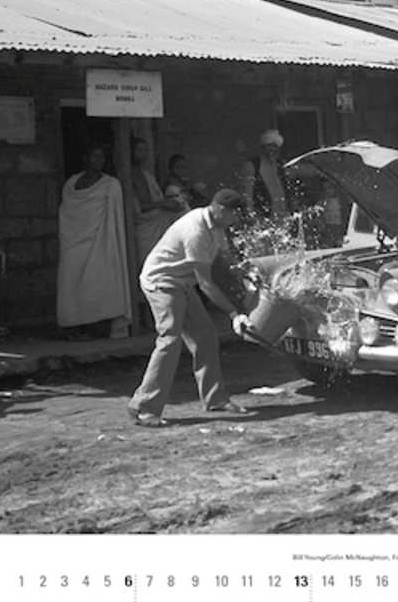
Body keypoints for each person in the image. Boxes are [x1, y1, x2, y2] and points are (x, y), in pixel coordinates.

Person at [126, 189, 254, 427]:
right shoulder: (196, 230)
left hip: (182, 282)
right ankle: (144, 407)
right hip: (162, 282)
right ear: (221, 210)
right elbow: (206, 284)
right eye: (235, 215)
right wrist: (233, 313)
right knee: (170, 339)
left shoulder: (217, 227)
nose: (236, 221)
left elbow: (223, 265)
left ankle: (215, 399)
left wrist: (246, 280)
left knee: (205, 336)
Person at [57, 145, 132, 341]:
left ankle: (95, 326)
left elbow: (115, 216)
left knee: (97, 281)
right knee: (70, 281)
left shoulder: (110, 185)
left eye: (102, 157)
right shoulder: (71, 184)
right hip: (73, 241)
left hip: (100, 240)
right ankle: (73, 325)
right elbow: (67, 213)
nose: (99, 160)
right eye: (95, 156)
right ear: (85, 158)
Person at [131, 137, 182, 262]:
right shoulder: (130, 175)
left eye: (146, 151)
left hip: (156, 222)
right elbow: (139, 207)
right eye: (139, 150)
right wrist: (164, 204)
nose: (144, 155)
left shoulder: (145, 173)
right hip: (145, 229)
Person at [240, 129, 296, 220]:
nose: (272, 150)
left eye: (275, 146)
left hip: (282, 217)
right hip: (263, 217)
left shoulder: (280, 166)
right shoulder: (253, 165)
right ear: (262, 148)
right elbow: (247, 194)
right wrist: (251, 214)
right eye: (269, 146)